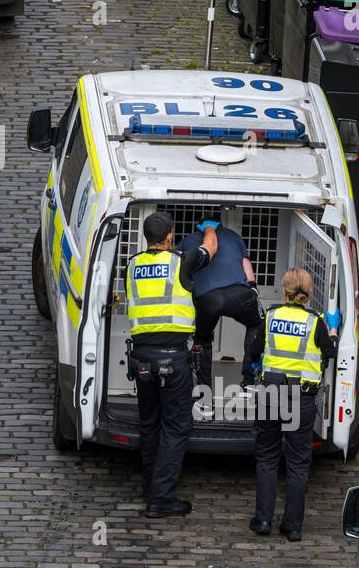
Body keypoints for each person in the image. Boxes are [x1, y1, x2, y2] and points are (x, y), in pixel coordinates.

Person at [125, 211, 217, 518]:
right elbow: (211, 248)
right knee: (177, 426)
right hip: (173, 358)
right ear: (170, 237)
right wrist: (209, 227)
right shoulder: (182, 262)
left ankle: (151, 487)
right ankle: (161, 498)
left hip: (141, 359)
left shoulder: (132, 265)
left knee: (149, 424)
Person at [250, 268, 340, 542]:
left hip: (270, 394)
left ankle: (263, 520)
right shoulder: (316, 322)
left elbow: (254, 352)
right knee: (298, 463)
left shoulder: (271, 316)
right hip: (301, 398)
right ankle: (292, 527)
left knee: (267, 457)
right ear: (308, 292)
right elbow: (331, 353)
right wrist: (333, 329)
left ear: (284, 290)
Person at [178, 219, 264, 392]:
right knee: (256, 325)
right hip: (238, 293)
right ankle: (249, 381)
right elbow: (246, 265)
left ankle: (204, 393)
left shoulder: (188, 240)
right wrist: (253, 289)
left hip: (207, 297)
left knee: (202, 339)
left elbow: (180, 267)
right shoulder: (234, 236)